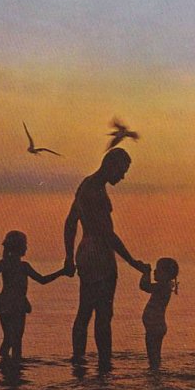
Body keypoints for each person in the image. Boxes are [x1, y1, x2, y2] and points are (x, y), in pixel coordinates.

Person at [63, 147, 148, 370]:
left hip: (85, 252)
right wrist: (132, 262)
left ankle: (79, 362)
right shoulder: (96, 192)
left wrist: (69, 257)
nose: (123, 176)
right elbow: (107, 234)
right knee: (103, 315)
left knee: (85, 311)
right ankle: (104, 367)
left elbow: (71, 222)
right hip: (99, 255)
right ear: (111, 165)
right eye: (122, 170)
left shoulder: (86, 185)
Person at [0, 230, 64, 360]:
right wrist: (62, 272)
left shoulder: (4, 263)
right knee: (17, 339)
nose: (26, 247)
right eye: (25, 244)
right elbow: (42, 280)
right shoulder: (24, 266)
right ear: (19, 247)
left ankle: (4, 364)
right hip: (17, 304)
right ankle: (15, 367)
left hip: (4, 303)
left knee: (8, 338)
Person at [139, 258, 179, 370]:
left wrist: (146, 272)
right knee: (155, 355)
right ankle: (155, 373)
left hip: (154, 327)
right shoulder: (166, 285)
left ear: (167, 274)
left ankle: (154, 374)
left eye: (158, 270)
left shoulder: (162, 286)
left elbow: (144, 286)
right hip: (156, 326)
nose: (155, 271)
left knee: (153, 356)